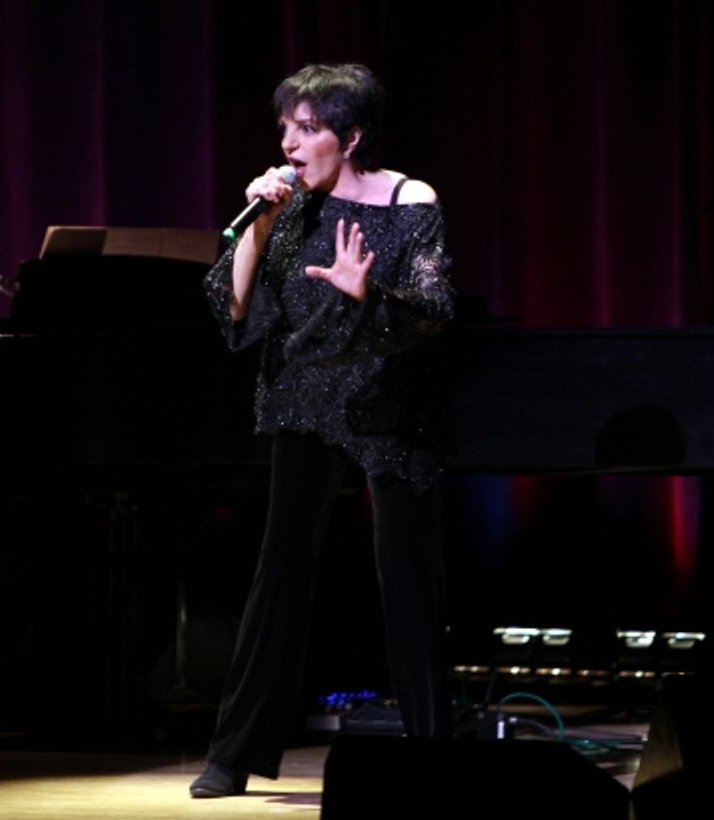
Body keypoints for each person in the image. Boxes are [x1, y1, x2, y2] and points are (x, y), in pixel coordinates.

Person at [190, 63, 455, 798]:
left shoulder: (409, 198)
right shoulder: (290, 210)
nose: (290, 143)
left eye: (307, 129)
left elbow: (434, 305)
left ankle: (433, 747)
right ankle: (232, 754)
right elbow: (236, 309)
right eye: (285, 128)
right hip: (304, 393)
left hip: (389, 395)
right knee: (281, 567)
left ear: (353, 135)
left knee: (406, 571)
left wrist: (368, 289)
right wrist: (260, 225)